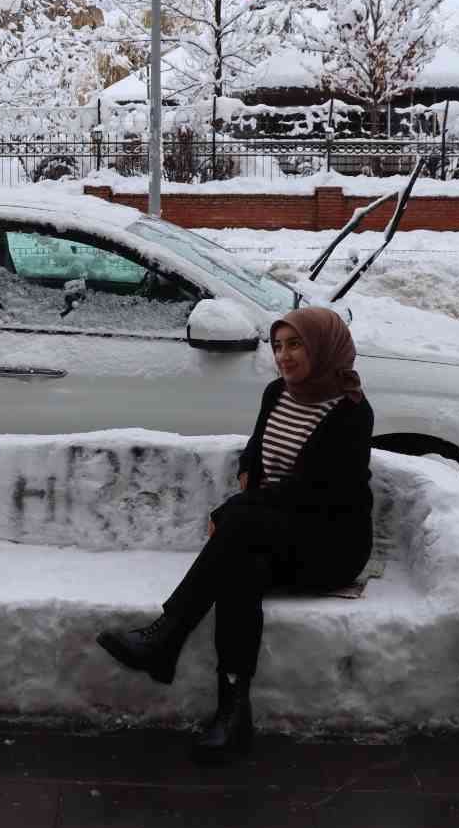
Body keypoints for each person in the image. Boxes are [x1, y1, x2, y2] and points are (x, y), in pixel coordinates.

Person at [96, 306, 375, 764]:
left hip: (330, 543)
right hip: (273, 529)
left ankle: (166, 636)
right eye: (278, 345)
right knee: (239, 569)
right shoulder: (277, 393)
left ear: (325, 348)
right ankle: (232, 712)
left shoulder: (349, 413)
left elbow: (310, 491)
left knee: (239, 530)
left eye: (296, 344)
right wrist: (248, 470)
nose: (284, 356)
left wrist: (235, 508)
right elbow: (258, 447)